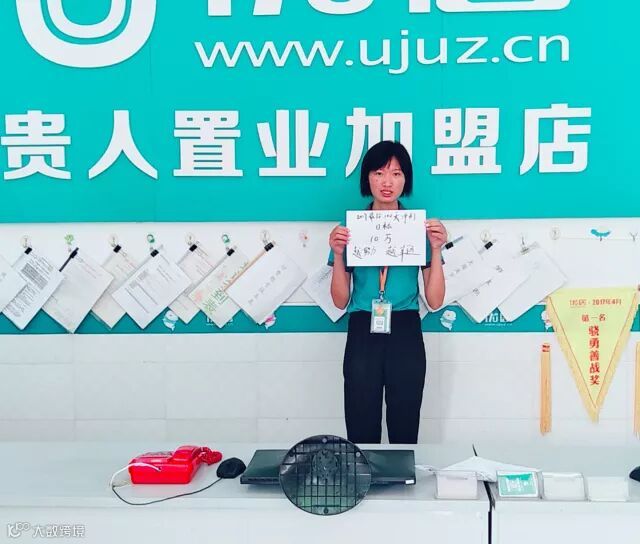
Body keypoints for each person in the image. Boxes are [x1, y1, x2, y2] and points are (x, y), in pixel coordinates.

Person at [328, 140, 446, 444]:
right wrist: (338, 254)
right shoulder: (349, 229)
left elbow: (435, 300)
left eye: (396, 173)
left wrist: (436, 248)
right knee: (361, 422)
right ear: (367, 178)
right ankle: (364, 475)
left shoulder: (418, 228)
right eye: (379, 173)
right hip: (362, 327)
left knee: (405, 423)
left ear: (406, 179)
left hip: (405, 328)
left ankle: (401, 475)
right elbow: (340, 301)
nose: (387, 182)